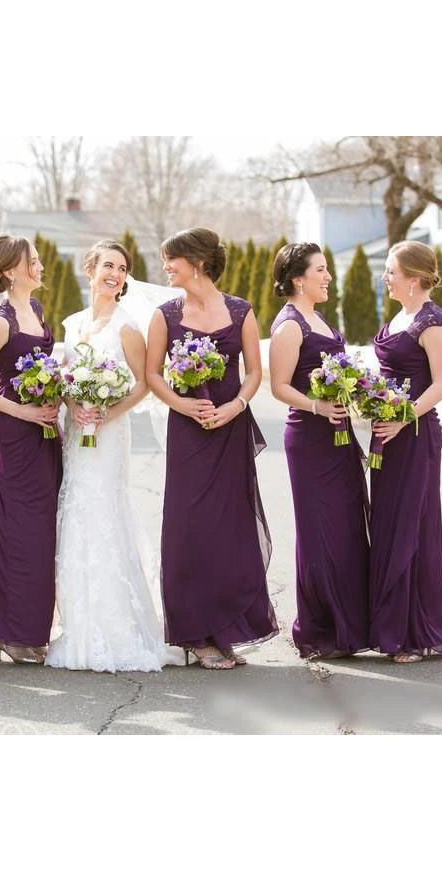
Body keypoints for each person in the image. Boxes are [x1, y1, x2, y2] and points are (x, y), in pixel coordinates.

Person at [146, 227, 278, 669]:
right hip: (188, 435)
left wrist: (236, 406)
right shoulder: (164, 315)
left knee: (230, 529)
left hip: (230, 430)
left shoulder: (241, 311)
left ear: (197, 262)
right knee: (188, 529)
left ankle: (226, 631)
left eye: (172, 259)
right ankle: (195, 634)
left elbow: (254, 372)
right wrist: (182, 404)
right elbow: (153, 374)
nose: (166, 267)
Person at [46, 240, 171, 672]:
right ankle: (79, 627)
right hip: (76, 432)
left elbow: (144, 383)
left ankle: (116, 627)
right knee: (75, 518)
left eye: (122, 268)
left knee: (103, 515)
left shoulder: (127, 327)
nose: (115, 274)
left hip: (109, 435)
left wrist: (107, 413)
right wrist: (73, 405)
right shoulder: (73, 324)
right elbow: (65, 379)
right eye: (108, 266)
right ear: (90, 270)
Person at [0, 235, 62, 663]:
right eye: (31, 261)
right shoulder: (1, 322)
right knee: (20, 532)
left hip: (45, 435)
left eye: (37, 259)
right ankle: (12, 632)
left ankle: (34, 628)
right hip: (16, 435)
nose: (39, 266)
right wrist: (22, 411)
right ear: (8, 272)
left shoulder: (35, 310)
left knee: (43, 533)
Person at [269, 242, 370, 659]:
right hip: (310, 440)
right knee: (321, 530)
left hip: (339, 436)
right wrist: (318, 406)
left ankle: (353, 625)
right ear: (298, 279)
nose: (328, 277)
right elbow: (278, 386)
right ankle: (321, 628)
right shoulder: (289, 326)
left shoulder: (318, 318)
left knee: (346, 527)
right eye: (321, 270)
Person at [369, 241, 442, 662]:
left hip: (415, 434)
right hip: (386, 434)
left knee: (412, 525)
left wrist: (403, 417)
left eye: (392, 271)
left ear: (415, 279)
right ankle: (388, 624)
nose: (386, 277)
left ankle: (416, 632)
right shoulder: (401, 317)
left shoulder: (432, 323)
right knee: (387, 521)